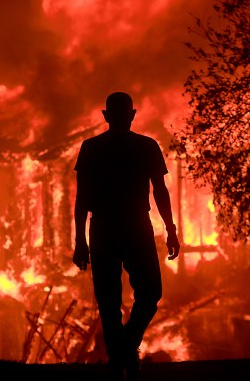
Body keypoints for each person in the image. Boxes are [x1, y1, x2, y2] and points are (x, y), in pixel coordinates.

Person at [73, 91, 180, 380]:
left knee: (109, 300)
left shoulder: (91, 148)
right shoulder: (145, 146)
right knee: (148, 293)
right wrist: (170, 230)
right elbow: (160, 191)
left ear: (106, 116)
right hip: (134, 226)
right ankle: (125, 352)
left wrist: (80, 241)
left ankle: (120, 352)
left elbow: (82, 199)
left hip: (106, 228)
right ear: (132, 114)